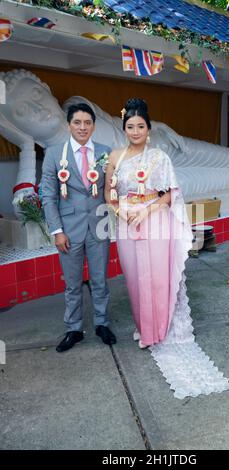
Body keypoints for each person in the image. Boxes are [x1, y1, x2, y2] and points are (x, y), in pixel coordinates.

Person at [105, 98, 229, 399]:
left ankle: (160, 330)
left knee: (159, 279)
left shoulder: (160, 157)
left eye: (140, 126)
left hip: (156, 222)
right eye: (130, 127)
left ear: (148, 128)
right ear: (123, 129)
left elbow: (170, 195)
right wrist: (124, 213)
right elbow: (109, 195)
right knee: (136, 280)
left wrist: (146, 211)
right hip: (127, 225)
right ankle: (145, 329)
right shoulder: (115, 157)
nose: (135, 131)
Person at [42, 102, 116, 352]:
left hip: (99, 225)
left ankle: (102, 323)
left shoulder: (106, 152)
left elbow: (113, 188)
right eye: (77, 122)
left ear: (93, 126)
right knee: (72, 284)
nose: (82, 127)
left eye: (87, 123)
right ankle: (73, 328)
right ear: (69, 125)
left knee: (100, 280)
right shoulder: (54, 153)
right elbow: (48, 195)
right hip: (68, 229)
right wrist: (56, 230)